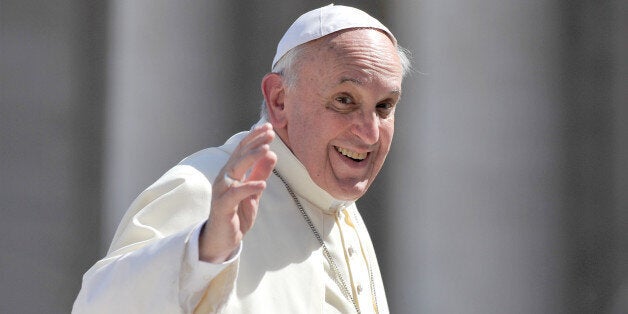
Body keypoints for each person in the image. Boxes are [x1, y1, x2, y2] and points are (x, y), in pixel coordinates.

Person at [73, 4, 410, 314]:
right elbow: (99, 305)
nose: (370, 133)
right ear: (279, 100)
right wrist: (204, 251)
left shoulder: (340, 209)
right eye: (344, 100)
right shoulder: (204, 189)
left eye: (384, 107)